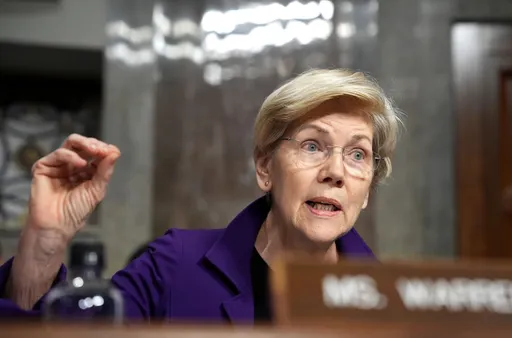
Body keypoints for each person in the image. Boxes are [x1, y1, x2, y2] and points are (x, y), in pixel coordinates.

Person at [0, 68, 401, 324]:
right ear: (265, 168)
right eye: (313, 146)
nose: (335, 172)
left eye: (357, 154)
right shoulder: (172, 267)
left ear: (367, 188)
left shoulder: (396, 306)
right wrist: (44, 240)